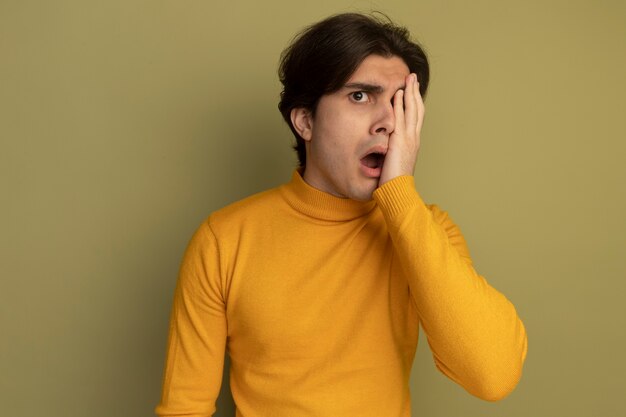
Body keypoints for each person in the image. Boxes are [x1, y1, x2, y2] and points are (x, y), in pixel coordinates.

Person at [155, 12, 528, 417]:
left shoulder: (427, 229)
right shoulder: (224, 239)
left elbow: (493, 375)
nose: (388, 122)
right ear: (306, 121)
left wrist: (400, 198)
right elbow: (184, 408)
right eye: (360, 96)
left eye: (400, 103)